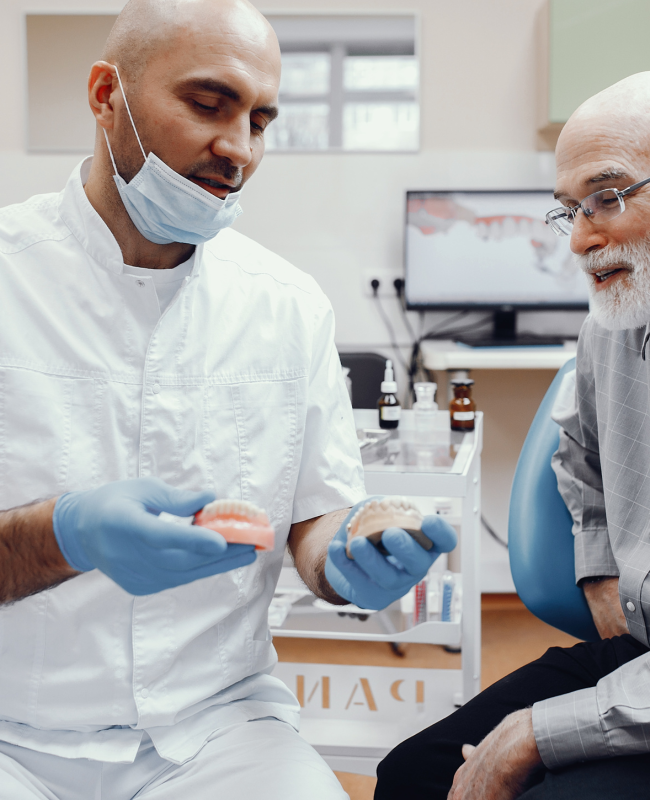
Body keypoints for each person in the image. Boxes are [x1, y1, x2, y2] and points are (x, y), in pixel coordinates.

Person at [0, 1, 455, 798]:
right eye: (209, 104)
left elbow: (316, 517)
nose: (237, 148)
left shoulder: (286, 305)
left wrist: (349, 557)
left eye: (261, 120)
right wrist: (59, 536)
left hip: (217, 730)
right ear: (106, 95)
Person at [375, 70, 650, 800]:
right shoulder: (621, 317)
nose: (577, 240)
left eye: (606, 198)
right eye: (567, 210)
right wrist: (602, 570)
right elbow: (578, 455)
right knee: (412, 776)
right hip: (641, 656)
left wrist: (541, 731)